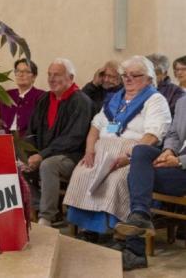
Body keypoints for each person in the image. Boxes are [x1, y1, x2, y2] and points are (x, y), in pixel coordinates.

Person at [63, 56, 172, 238]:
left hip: (133, 155)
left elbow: (153, 134)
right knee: (82, 173)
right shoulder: (114, 99)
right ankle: (88, 228)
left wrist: (129, 157)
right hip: (101, 152)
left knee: (115, 181)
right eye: (125, 75)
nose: (128, 79)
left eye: (135, 75)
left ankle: (116, 231)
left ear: (149, 79)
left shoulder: (155, 100)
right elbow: (95, 126)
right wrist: (89, 151)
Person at [113, 97, 186, 270]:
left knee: (138, 177)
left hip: (182, 166)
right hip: (175, 163)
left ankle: (135, 251)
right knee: (140, 151)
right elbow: (174, 134)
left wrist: (179, 161)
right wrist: (168, 151)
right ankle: (140, 215)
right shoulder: (183, 101)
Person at [24, 58, 93, 227]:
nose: (52, 79)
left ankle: (46, 217)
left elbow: (73, 138)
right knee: (17, 164)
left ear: (70, 77)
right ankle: (38, 205)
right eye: (49, 74)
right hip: (43, 154)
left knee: (48, 165)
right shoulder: (44, 99)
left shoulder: (81, 102)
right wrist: (28, 154)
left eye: (57, 75)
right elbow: (31, 130)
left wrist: (41, 155)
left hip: (73, 156)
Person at [0, 58, 44, 137]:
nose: (21, 74)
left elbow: (41, 126)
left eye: (26, 71)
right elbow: (0, 124)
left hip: (28, 143)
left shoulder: (41, 97)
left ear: (34, 77)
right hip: (6, 141)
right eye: (18, 71)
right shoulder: (6, 96)